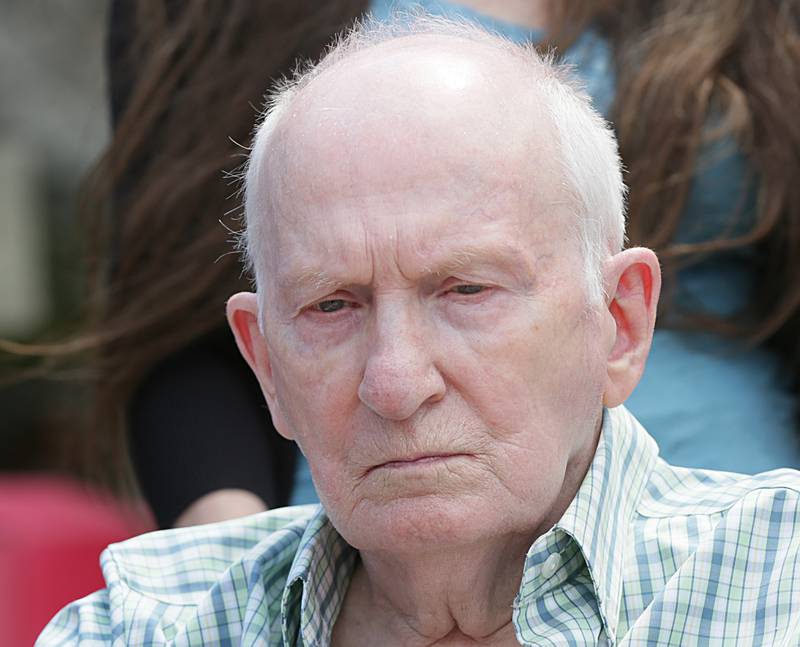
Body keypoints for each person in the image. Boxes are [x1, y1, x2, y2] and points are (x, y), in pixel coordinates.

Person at [39, 17, 800, 646]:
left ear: (624, 322)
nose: (397, 382)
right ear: (266, 364)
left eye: (468, 289)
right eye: (332, 306)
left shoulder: (778, 587)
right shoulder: (139, 623)